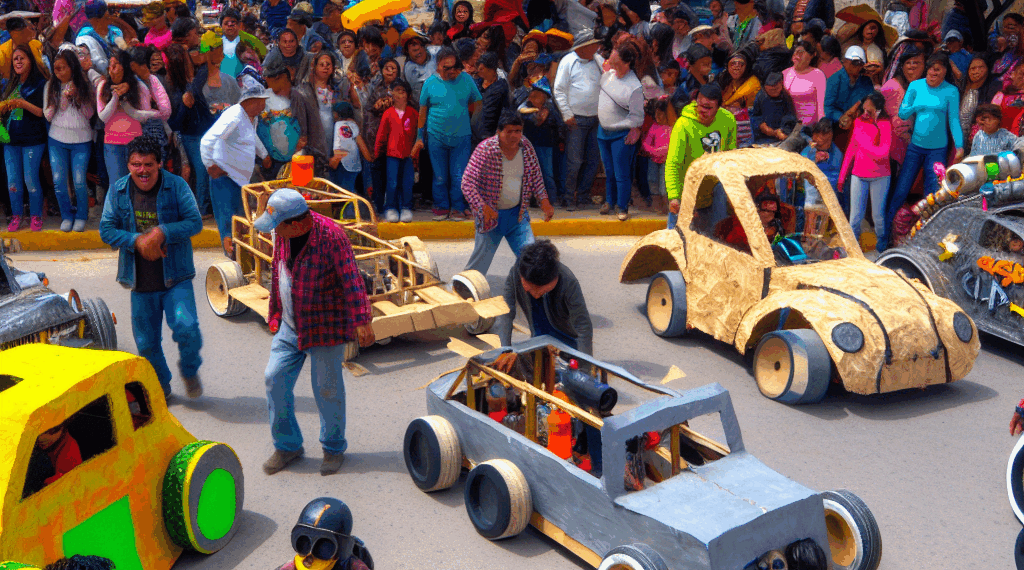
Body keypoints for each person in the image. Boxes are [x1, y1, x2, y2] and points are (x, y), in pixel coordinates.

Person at [256, 188, 375, 476]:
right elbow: (278, 268)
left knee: (327, 389)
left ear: (297, 224)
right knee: (274, 379)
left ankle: (333, 448)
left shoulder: (332, 237)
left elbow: (352, 280)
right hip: (290, 323)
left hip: (325, 326)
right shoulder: (283, 231)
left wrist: (362, 320)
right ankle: (287, 446)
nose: (274, 232)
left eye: (278, 226)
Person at [99, 136, 204, 399]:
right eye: (136, 164)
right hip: (140, 282)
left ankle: (190, 370)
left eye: (148, 164)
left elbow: (195, 222)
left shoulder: (177, 186)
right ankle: (162, 387)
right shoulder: (118, 190)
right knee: (146, 345)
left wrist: (162, 232)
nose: (142, 171)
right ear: (129, 164)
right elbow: (106, 230)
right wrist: (137, 240)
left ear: (159, 164)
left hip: (176, 278)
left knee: (187, 328)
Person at [879, 53, 963, 252]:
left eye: (938, 69)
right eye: (931, 68)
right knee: (901, 191)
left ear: (944, 72)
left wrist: (959, 146)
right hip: (915, 148)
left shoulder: (951, 91)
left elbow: (953, 120)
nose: (933, 72)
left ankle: (926, 243)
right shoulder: (916, 86)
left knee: (931, 195)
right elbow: (902, 113)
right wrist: (919, 105)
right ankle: (884, 241)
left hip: (938, 150)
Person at [462, 110, 555, 275]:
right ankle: (462, 291)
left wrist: (544, 202)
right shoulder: (485, 149)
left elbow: (536, 177)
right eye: (509, 131)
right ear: (499, 132)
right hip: (491, 218)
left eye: (518, 131)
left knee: (531, 261)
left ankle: (529, 294)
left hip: (518, 217)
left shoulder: (526, 146)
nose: (514, 136)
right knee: (477, 269)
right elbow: (467, 183)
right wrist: (483, 207)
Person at [200, 76, 271, 256]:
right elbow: (207, 140)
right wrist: (210, 165)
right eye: (262, 102)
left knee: (239, 222)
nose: (264, 105)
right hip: (225, 177)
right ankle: (233, 261)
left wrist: (264, 154)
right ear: (253, 102)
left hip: (239, 179)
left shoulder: (249, 118)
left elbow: (252, 138)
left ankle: (240, 258)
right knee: (228, 223)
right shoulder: (234, 115)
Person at [492, 239, 593, 360]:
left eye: (540, 290)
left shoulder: (568, 281)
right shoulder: (517, 272)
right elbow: (506, 312)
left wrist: (585, 368)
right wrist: (505, 351)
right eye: (528, 286)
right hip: (538, 340)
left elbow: (583, 326)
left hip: (567, 343)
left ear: (554, 279)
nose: (534, 294)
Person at [413, 46, 481, 221]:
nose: (451, 71)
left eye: (453, 66)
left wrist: (472, 123)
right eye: (446, 67)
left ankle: (458, 208)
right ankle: (442, 207)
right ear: (437, 65)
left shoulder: (466, 79)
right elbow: (422, 112)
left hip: (462, 137)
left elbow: (477, 102)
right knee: (440, 176)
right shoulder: (429, 83)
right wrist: (419, 137)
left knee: (459, 176)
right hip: (436, 136)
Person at [665, 83, 737, 230]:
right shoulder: (683, 124)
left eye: (708, 108)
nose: (703, 110)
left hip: (714, 188)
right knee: (678, 241)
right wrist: (674, 196)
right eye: (701, 105)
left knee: (717, 238)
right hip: (686, 189)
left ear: (718, 108)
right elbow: (673, 163)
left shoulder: (728, 119)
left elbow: (730, 156)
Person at [45, 47, 96, 233]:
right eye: (56, 69)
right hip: (57, 139)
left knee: (79, 180)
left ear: (72, 67)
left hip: (81, 140)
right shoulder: (51, 85)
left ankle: (81, 215)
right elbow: (49, 115)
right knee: (58, 181)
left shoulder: (84, 85)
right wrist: (61, 100)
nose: (58, 72)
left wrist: (77, 97)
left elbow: (90, 114)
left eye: (62, 68)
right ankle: (66, 215)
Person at [553, 28, 603, 211]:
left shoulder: (599, 61)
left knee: (592, 160)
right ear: (585, 47)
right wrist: (567, 114)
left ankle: (582, 196)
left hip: (596, 119)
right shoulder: (568, 62)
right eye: (594, 44)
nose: (598, 47)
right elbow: (559, 90)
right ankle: (568, 197)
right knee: (574, 160)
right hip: (576, 120)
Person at [598, 36, 646, 222]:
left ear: (626, 63)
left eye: (615, 58)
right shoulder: (608, 75)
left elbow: (637, 116)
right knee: (609, 171)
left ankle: (622, 206)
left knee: (621, 173)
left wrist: (634, 129)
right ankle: (609, 202)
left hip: (621, 135)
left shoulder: (634, 86)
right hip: (603, 132)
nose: (611, 58)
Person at [1, 45, 48, 232]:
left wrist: (21, 103)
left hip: (33, 140)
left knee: (30, 180)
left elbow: (41, 112)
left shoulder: (40, 83)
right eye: (15, 59)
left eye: (22, 58)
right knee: (12, 182)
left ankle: (35, 215)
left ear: (30, 60)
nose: (18, 61)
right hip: (10, 141)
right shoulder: (8, 84)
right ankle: (16, 216)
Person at [257, 61, 327, 182]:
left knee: (301, 189)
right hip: (290, 157)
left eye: (269, 80)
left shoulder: (297, 96)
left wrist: (288, 160)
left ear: (281, 78)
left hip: (305, 156)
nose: (267, 84)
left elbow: (303, 137)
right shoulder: (296, 93)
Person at [838, 91, 891, 241]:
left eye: (870, 111)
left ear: (878, 111)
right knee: (854, 218)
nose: (865, 114)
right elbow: (851, 150)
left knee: (877, 216)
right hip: (858, 174)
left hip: (880, 176)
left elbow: (883, 153)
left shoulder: (885, 124)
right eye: (864, 109)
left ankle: (881, 244)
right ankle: (854, 249)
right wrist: (842, 176)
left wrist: (863, 143)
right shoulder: (859, 121)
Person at [373, 79, 418, 223]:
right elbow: (381, 134)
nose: (399, 94)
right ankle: (390, 208)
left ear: (408, 95)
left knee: (407, 182)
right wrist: (377, 153)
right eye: (396, 91)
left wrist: (415, 154)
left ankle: (405, 207)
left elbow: (417, 134)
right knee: (391, 183)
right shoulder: (388, 113)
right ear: (391, 94)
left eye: (402, 91)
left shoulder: (412, 113)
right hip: (391, 154)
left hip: (408, 154)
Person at [518, 76, 562, 202]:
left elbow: (554, 124)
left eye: (535, 96)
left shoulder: (551, 109)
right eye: (531, 95)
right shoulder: (525, 107)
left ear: (544, 97)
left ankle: (552, 200)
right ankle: (530, 200)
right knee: (529, 173)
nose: (531, 98)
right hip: (529, 144)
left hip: (545, 144)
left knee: (547, 174)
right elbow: (525, 115)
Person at [880, 47, 925, 172]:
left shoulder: (917, 87)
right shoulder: (895, 88)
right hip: (891, 153)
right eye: (908, 62)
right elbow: (900, 127)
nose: (912, 66)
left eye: (916, 62)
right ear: (902, 66)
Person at [824, 46, 875, 138]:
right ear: (845, 61)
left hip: (859, 124)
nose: (858, 66)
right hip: (836, 126)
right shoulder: (834, 80)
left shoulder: (866, 81)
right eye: (855, 62)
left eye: (860, 63)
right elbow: (828, 108)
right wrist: (841, 117)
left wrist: (856, 113)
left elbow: (871, 102)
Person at [718, 48, 760, 148]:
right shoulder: (727, 81)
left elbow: (727, 103)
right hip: (728, 124)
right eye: (733, 64)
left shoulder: (753, 82)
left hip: (746, 126)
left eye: (741, 64)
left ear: (747, 67)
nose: (736, 67)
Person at [801, 118, 842, 211]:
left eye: (822, 136)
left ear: (829, 136)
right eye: (816, 136)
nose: (818, 140)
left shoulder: (837, 154)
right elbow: (801, 164)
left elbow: (834, 177)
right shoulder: (810, 148)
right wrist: (812, 159)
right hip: (809, 197)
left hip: (827, 196)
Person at [959, 56, 998, 153]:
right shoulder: (963, 88)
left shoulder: (994, 88)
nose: (976, 71)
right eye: (972, 68)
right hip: (959, 140)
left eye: (981, 67)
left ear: (988, 69)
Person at [783, 40, 827, 126]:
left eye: (801, 52)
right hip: (788, 125)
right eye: (795, 52)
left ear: (811, 56)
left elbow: (821, 107)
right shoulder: (785, 73)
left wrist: (821, 127)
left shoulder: (818, 75)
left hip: (809, 127)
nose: (797, 55)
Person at [642, 97, 672, 215]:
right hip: (653, 159)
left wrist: (665, 151)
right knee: (652, 181)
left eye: (661, 114)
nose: (658, 117)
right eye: (656, 115)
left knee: (664, 185)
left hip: (667, 161)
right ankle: (658, 207)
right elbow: (646, 143)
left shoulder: (672, 127)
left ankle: (668, 208)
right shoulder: (654, 127)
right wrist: (654, 151)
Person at [751, 72, 797, 145]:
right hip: (763, 137)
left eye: (775, 89)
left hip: (781, 136)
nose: (773, 92)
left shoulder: (786, 97)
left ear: (781, 84)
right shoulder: (760, 96)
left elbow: (790, 117)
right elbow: (755, 115)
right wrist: (761, 125)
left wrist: (783, 130)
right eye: (770, 90)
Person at [329, 102, 366, 193]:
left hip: (344, 165)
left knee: (344, 194)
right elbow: (361, 145)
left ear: (338, 114)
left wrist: (333, 162)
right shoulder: (353, 125)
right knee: (351, 191)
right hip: (355, 164)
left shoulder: (340, 125)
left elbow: (341, 147)